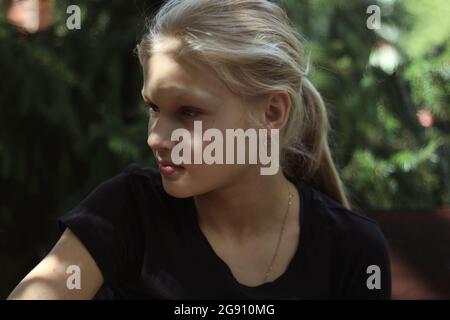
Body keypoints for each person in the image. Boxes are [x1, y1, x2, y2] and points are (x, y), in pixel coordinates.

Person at [8, 0, 391, 299]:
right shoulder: (126, 212)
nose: (156, 138)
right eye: (153, 108)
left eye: (189, 112)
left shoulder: (350, 250)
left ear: (272, 112)